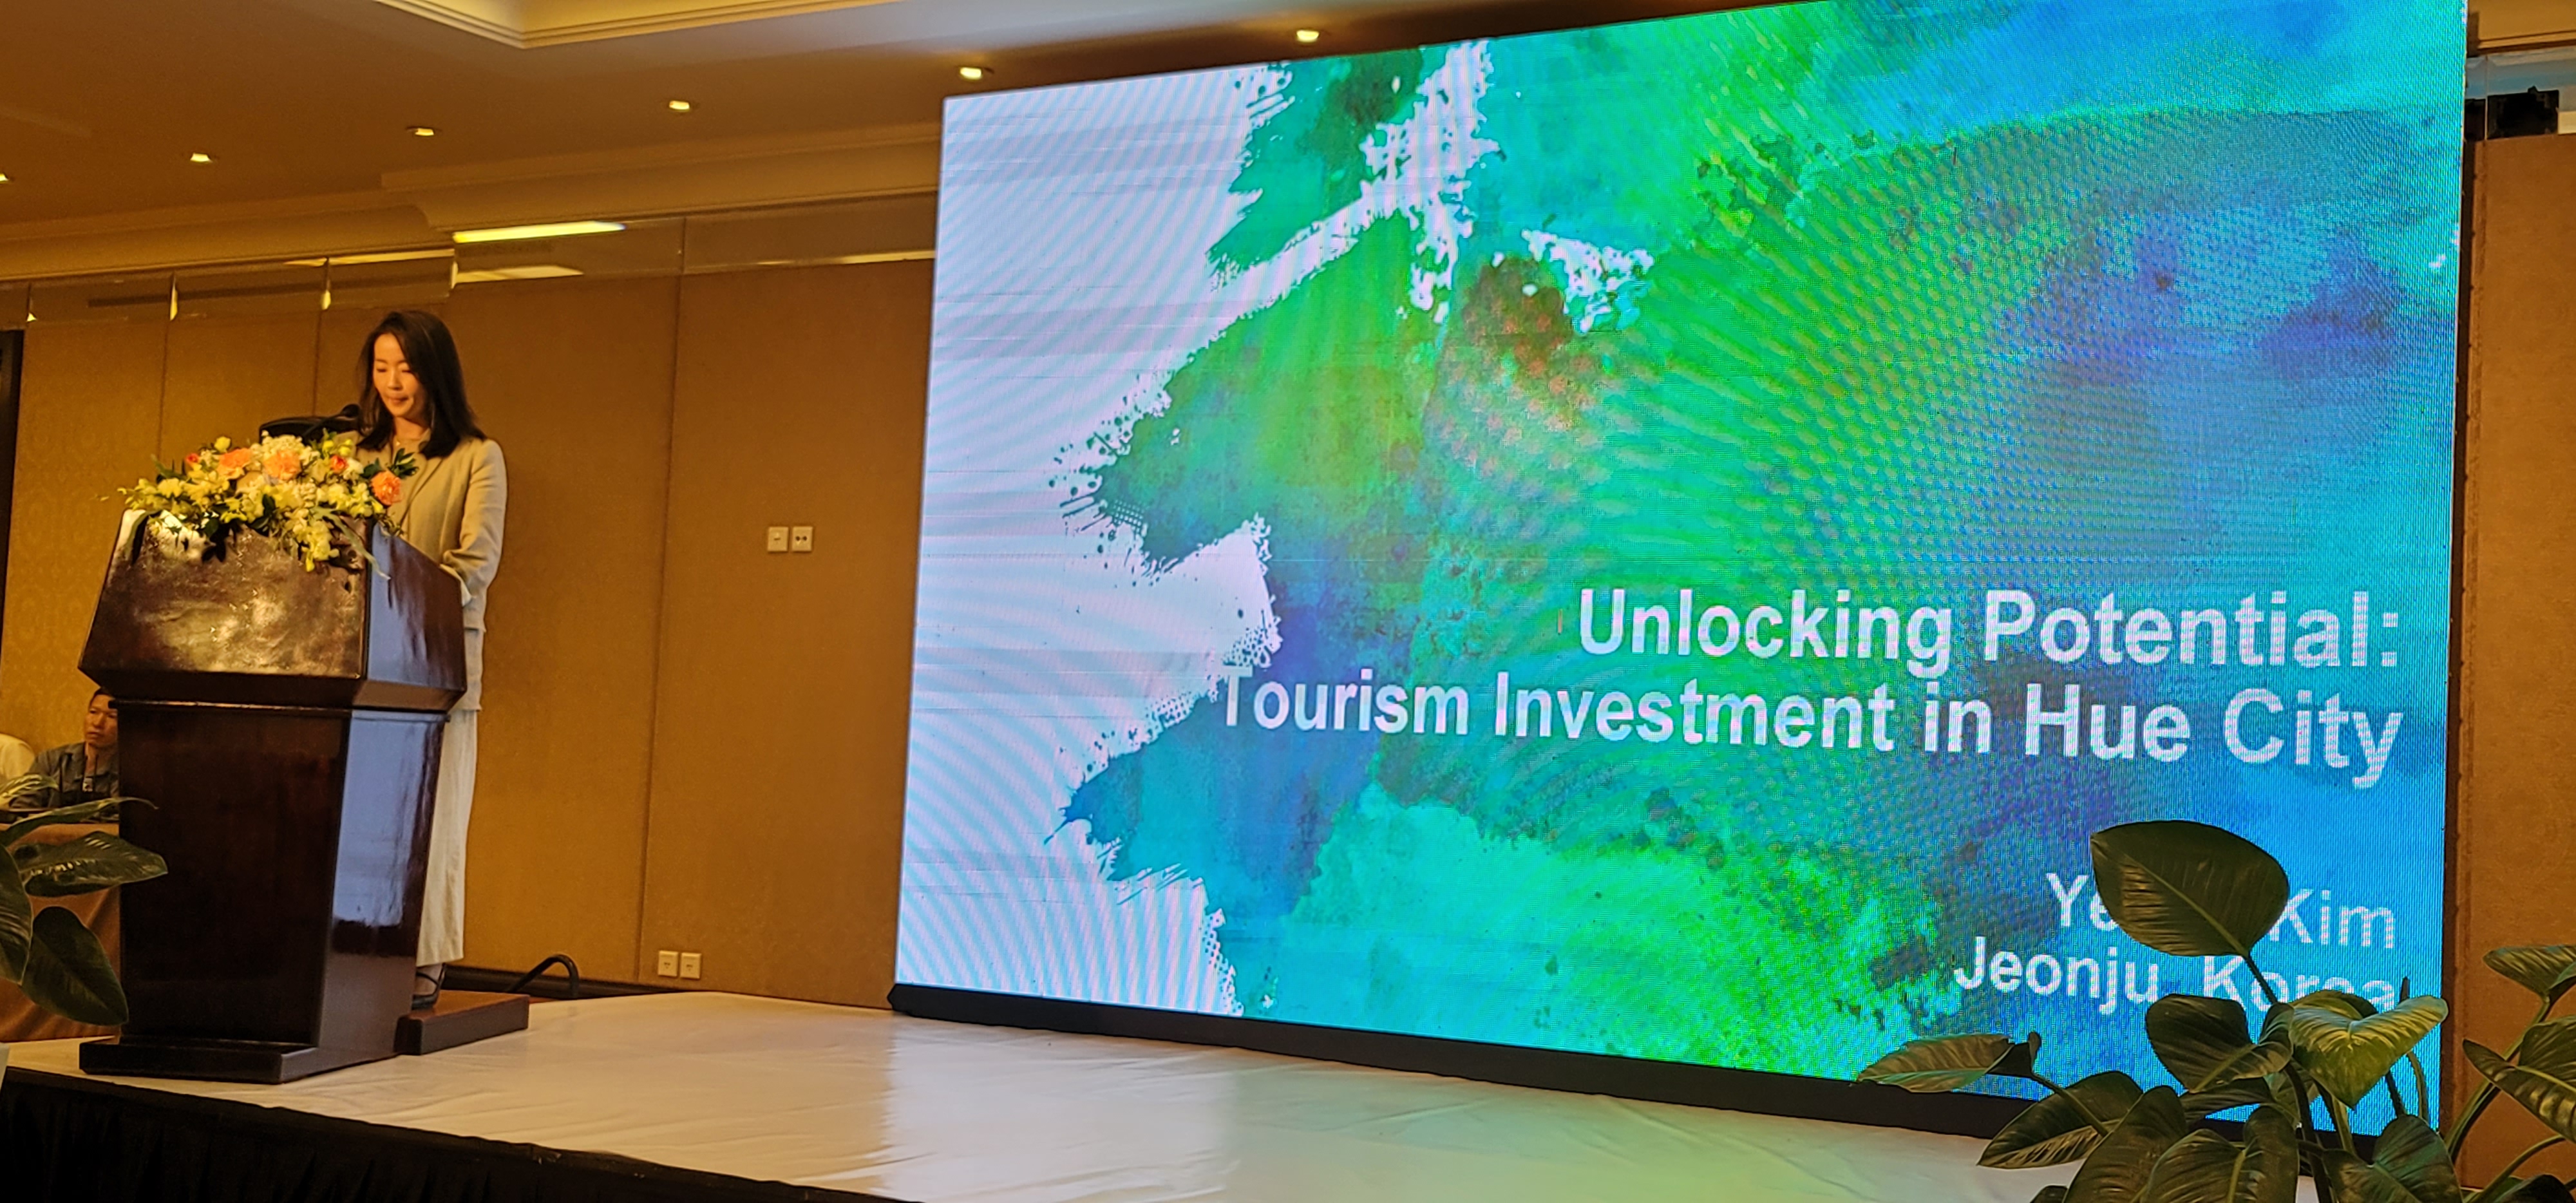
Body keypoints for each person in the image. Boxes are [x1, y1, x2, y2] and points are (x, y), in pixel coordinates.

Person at [355, 310, 506, 1008]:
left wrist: (404, 599)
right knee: (364, 826)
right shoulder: (357, 456)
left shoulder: (477, 457)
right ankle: (357, 949)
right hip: (360, 667)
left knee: (433, 819)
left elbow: (476, 563)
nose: (393, 382)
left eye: (407, 368)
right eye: (382, 367)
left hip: (436, 668)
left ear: (435, 371)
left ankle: (427, 957)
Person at [31, 690, 118, 803]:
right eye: (93, 712)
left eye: (112, 716)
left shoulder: (130, 770)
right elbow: (22, 806)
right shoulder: (51, 760)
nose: (97, 723)